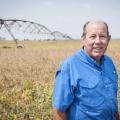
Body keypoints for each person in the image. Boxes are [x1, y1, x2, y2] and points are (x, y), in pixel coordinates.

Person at [52, 20, 120, 120]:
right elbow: (58, 110)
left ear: (108, 39)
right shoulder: (69, 66)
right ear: (83, 39)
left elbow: (112, 101)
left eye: (102, 36)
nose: (98, 41)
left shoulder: (108, 63)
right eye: (93, 36)